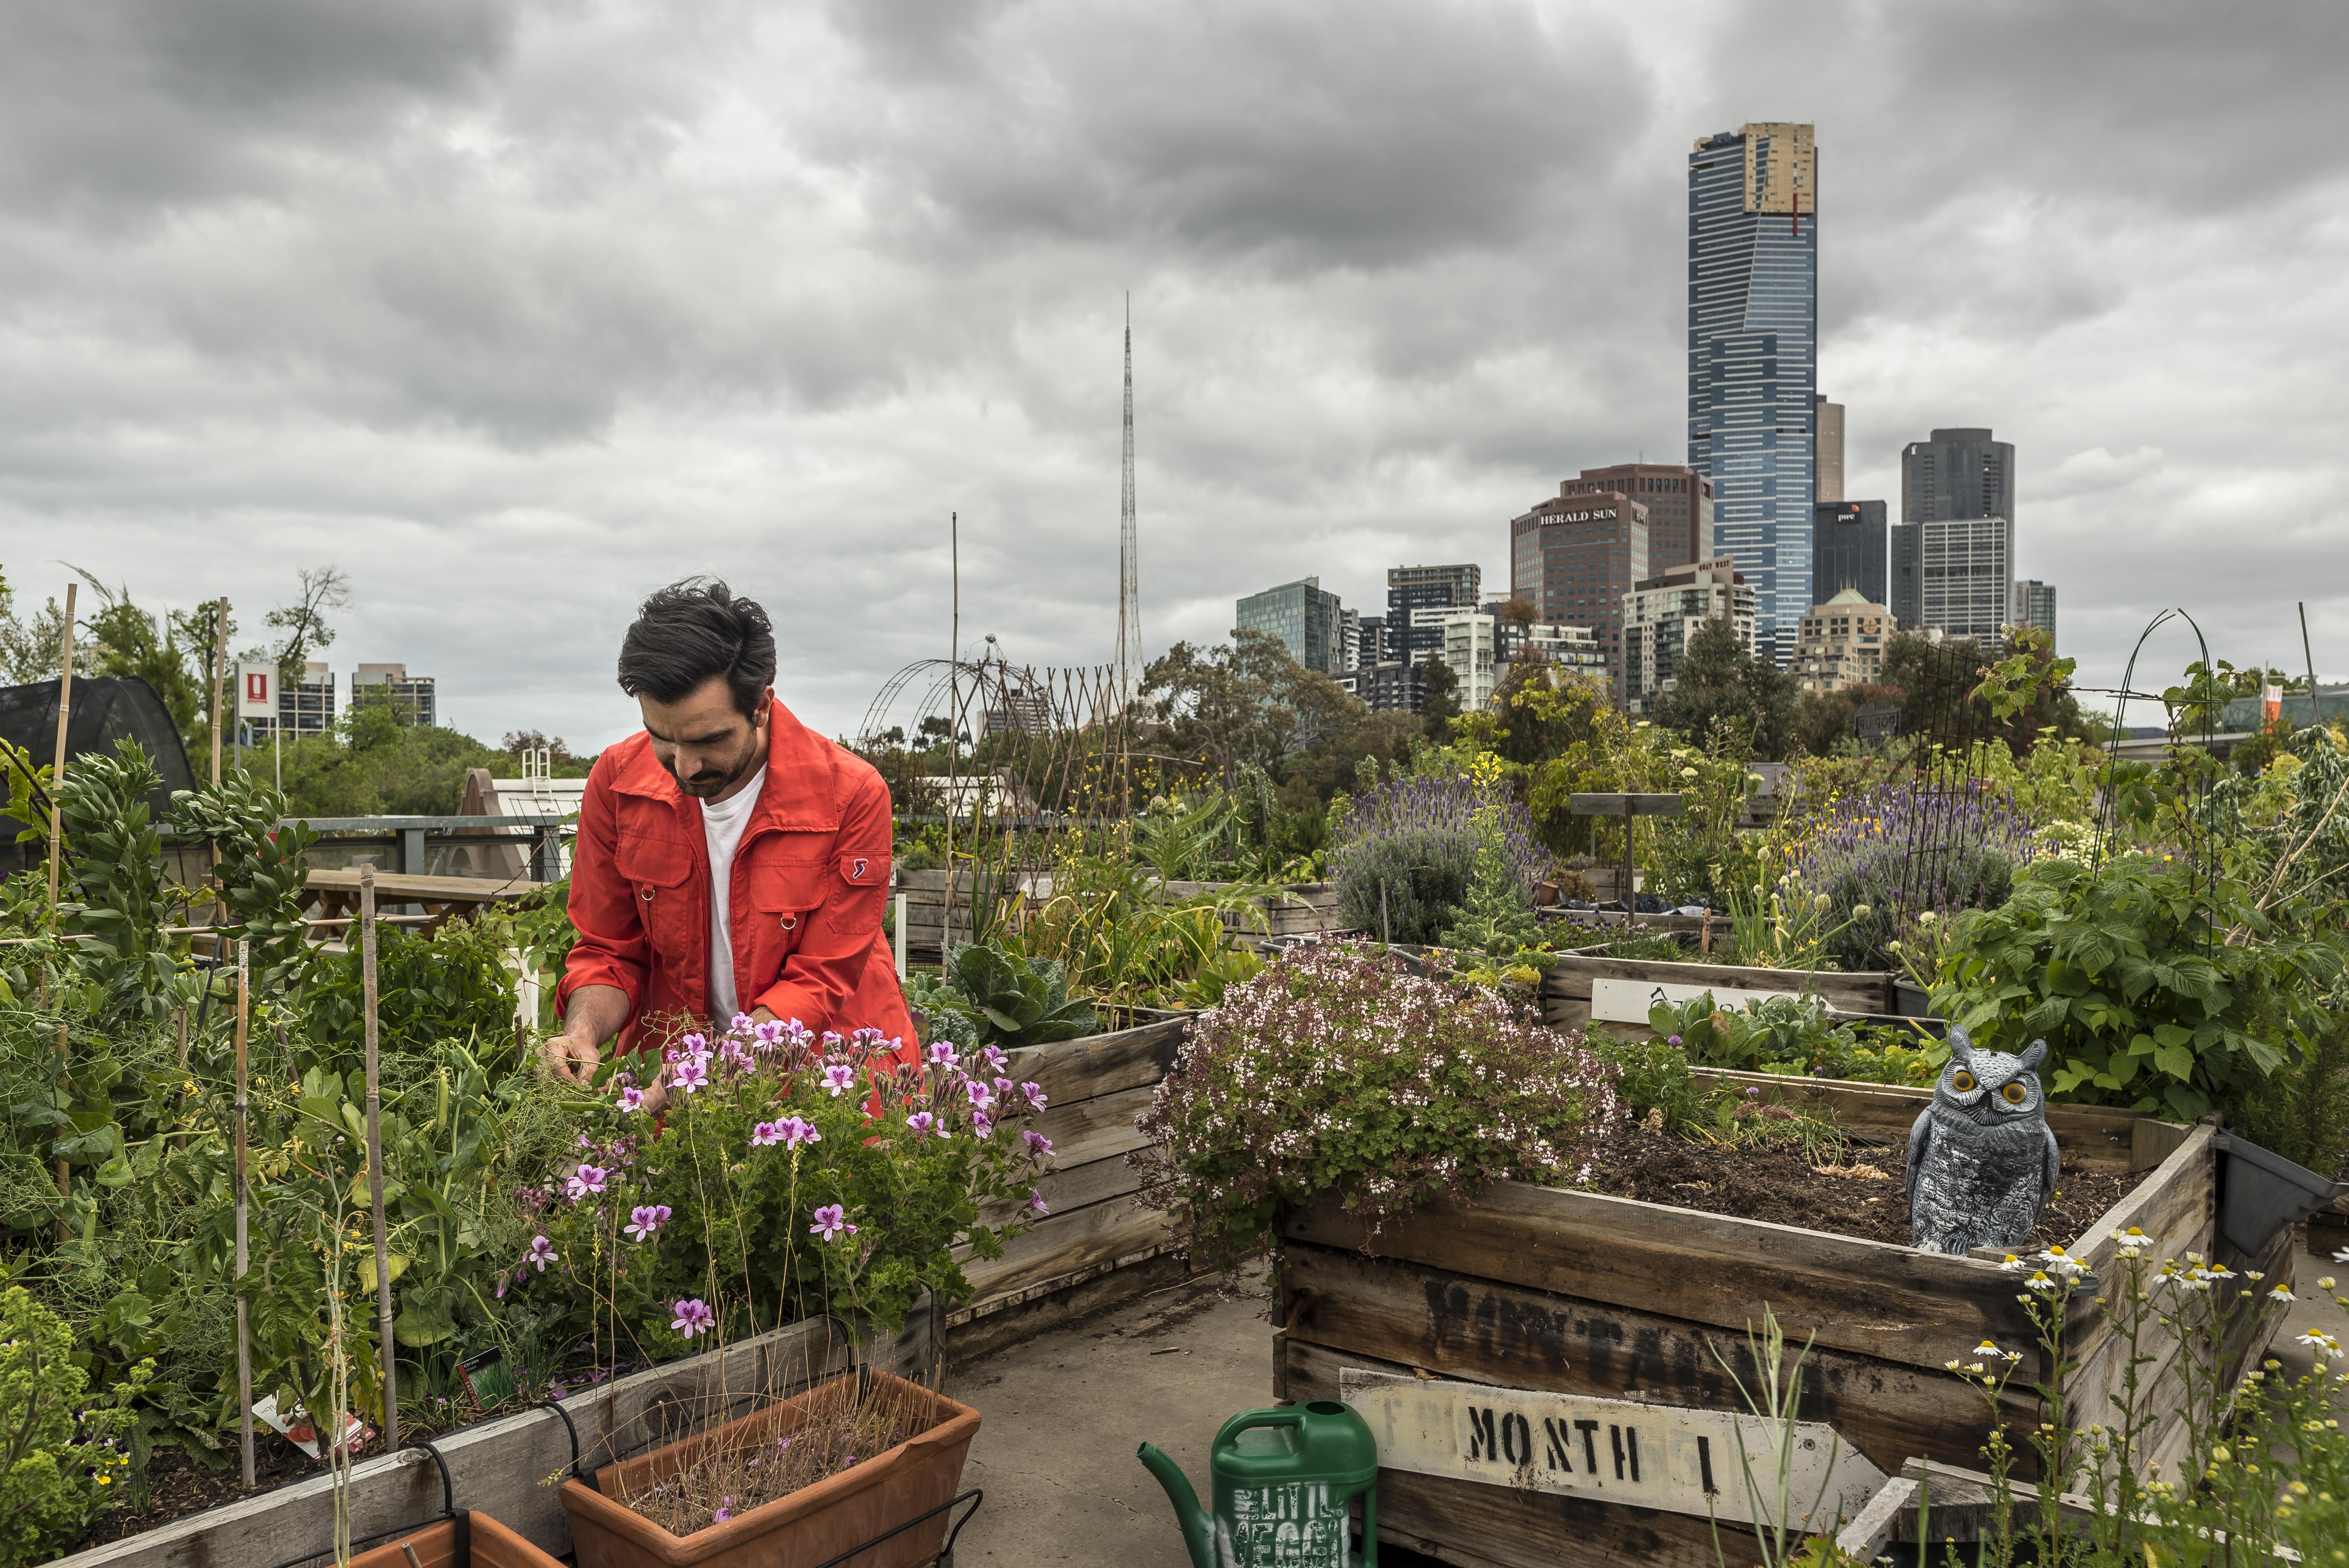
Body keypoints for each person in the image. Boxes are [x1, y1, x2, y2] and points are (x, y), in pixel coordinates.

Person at [540, 579, 915, 1108]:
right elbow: (609, 951)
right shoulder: (617, 783)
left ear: (761, 706)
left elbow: (819, 979)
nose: (685, 766)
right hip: (673, 1078)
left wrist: (708, 1070)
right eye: (662, 737)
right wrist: (581, 1033)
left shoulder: (851, 795)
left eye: (708, 740)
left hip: (826, 1086)